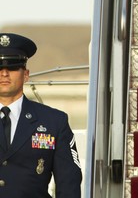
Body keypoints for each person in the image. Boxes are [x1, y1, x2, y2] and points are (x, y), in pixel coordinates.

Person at [0, 33, 82, 197]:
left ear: (26, 74)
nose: (4, 74)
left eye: (13, 66)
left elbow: (69, 184)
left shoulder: (54, 122)